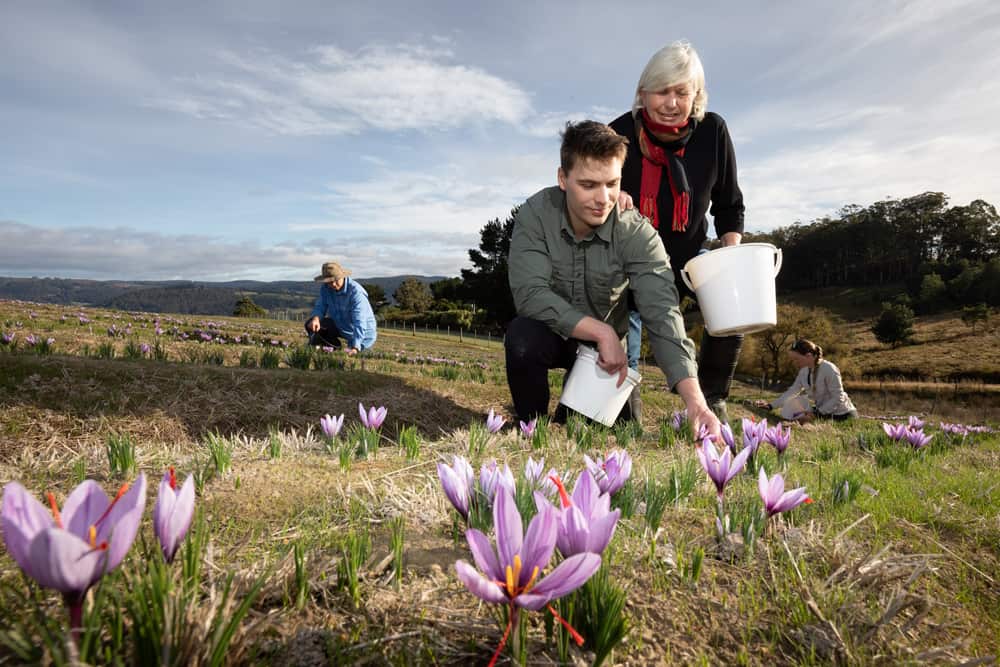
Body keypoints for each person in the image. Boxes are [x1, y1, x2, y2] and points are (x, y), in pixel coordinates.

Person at [505, 120, 722, 441]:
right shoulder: (536, 215)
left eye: (612, 184)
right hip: (550, 332)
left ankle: (574, 404)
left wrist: (696, 401)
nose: (603, 199)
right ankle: (530, 425)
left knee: (615, 431)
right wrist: (601, 330)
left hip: (603, 356)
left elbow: (663, 314)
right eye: (588, 185)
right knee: (522, 338)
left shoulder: (636, 232)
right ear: (563, 179)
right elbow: (530, 295)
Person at [609, 40, 745, 424]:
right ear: (642, 92)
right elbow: (590, 185)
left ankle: (712, 397)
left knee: (732, 296)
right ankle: (622, 403)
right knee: (621, 416)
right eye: (661, 91)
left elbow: (729, 204)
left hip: (688, 259)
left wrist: (730, 254)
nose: (671, 103)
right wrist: (611, 192)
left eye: (682, 92)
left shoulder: (713, 131)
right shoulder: (617, 134)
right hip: (631, 265)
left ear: (696, 95)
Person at [759, 339, 858, 421]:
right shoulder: (804, 371)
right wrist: (771, 406)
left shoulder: (829, 369)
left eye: (797, 359)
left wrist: (816, 414)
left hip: (842, 414)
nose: (795, 362)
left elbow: (838, 397)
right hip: (821, 412)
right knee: (794, 409)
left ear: (809, 356)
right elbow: (793, 391)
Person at [305, 261, 377, 355]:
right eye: (329, 282)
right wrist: (316, 319)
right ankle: (329, 348)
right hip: (341, 326)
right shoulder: (326, 288)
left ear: (342, 277)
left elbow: (359, 322)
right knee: (311, 324)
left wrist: (355, 347)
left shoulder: (356, 293)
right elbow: (320, 306)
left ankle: (355, 346)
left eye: (336, 280)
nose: (333, 284)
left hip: (363, 334)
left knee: (359, 354)